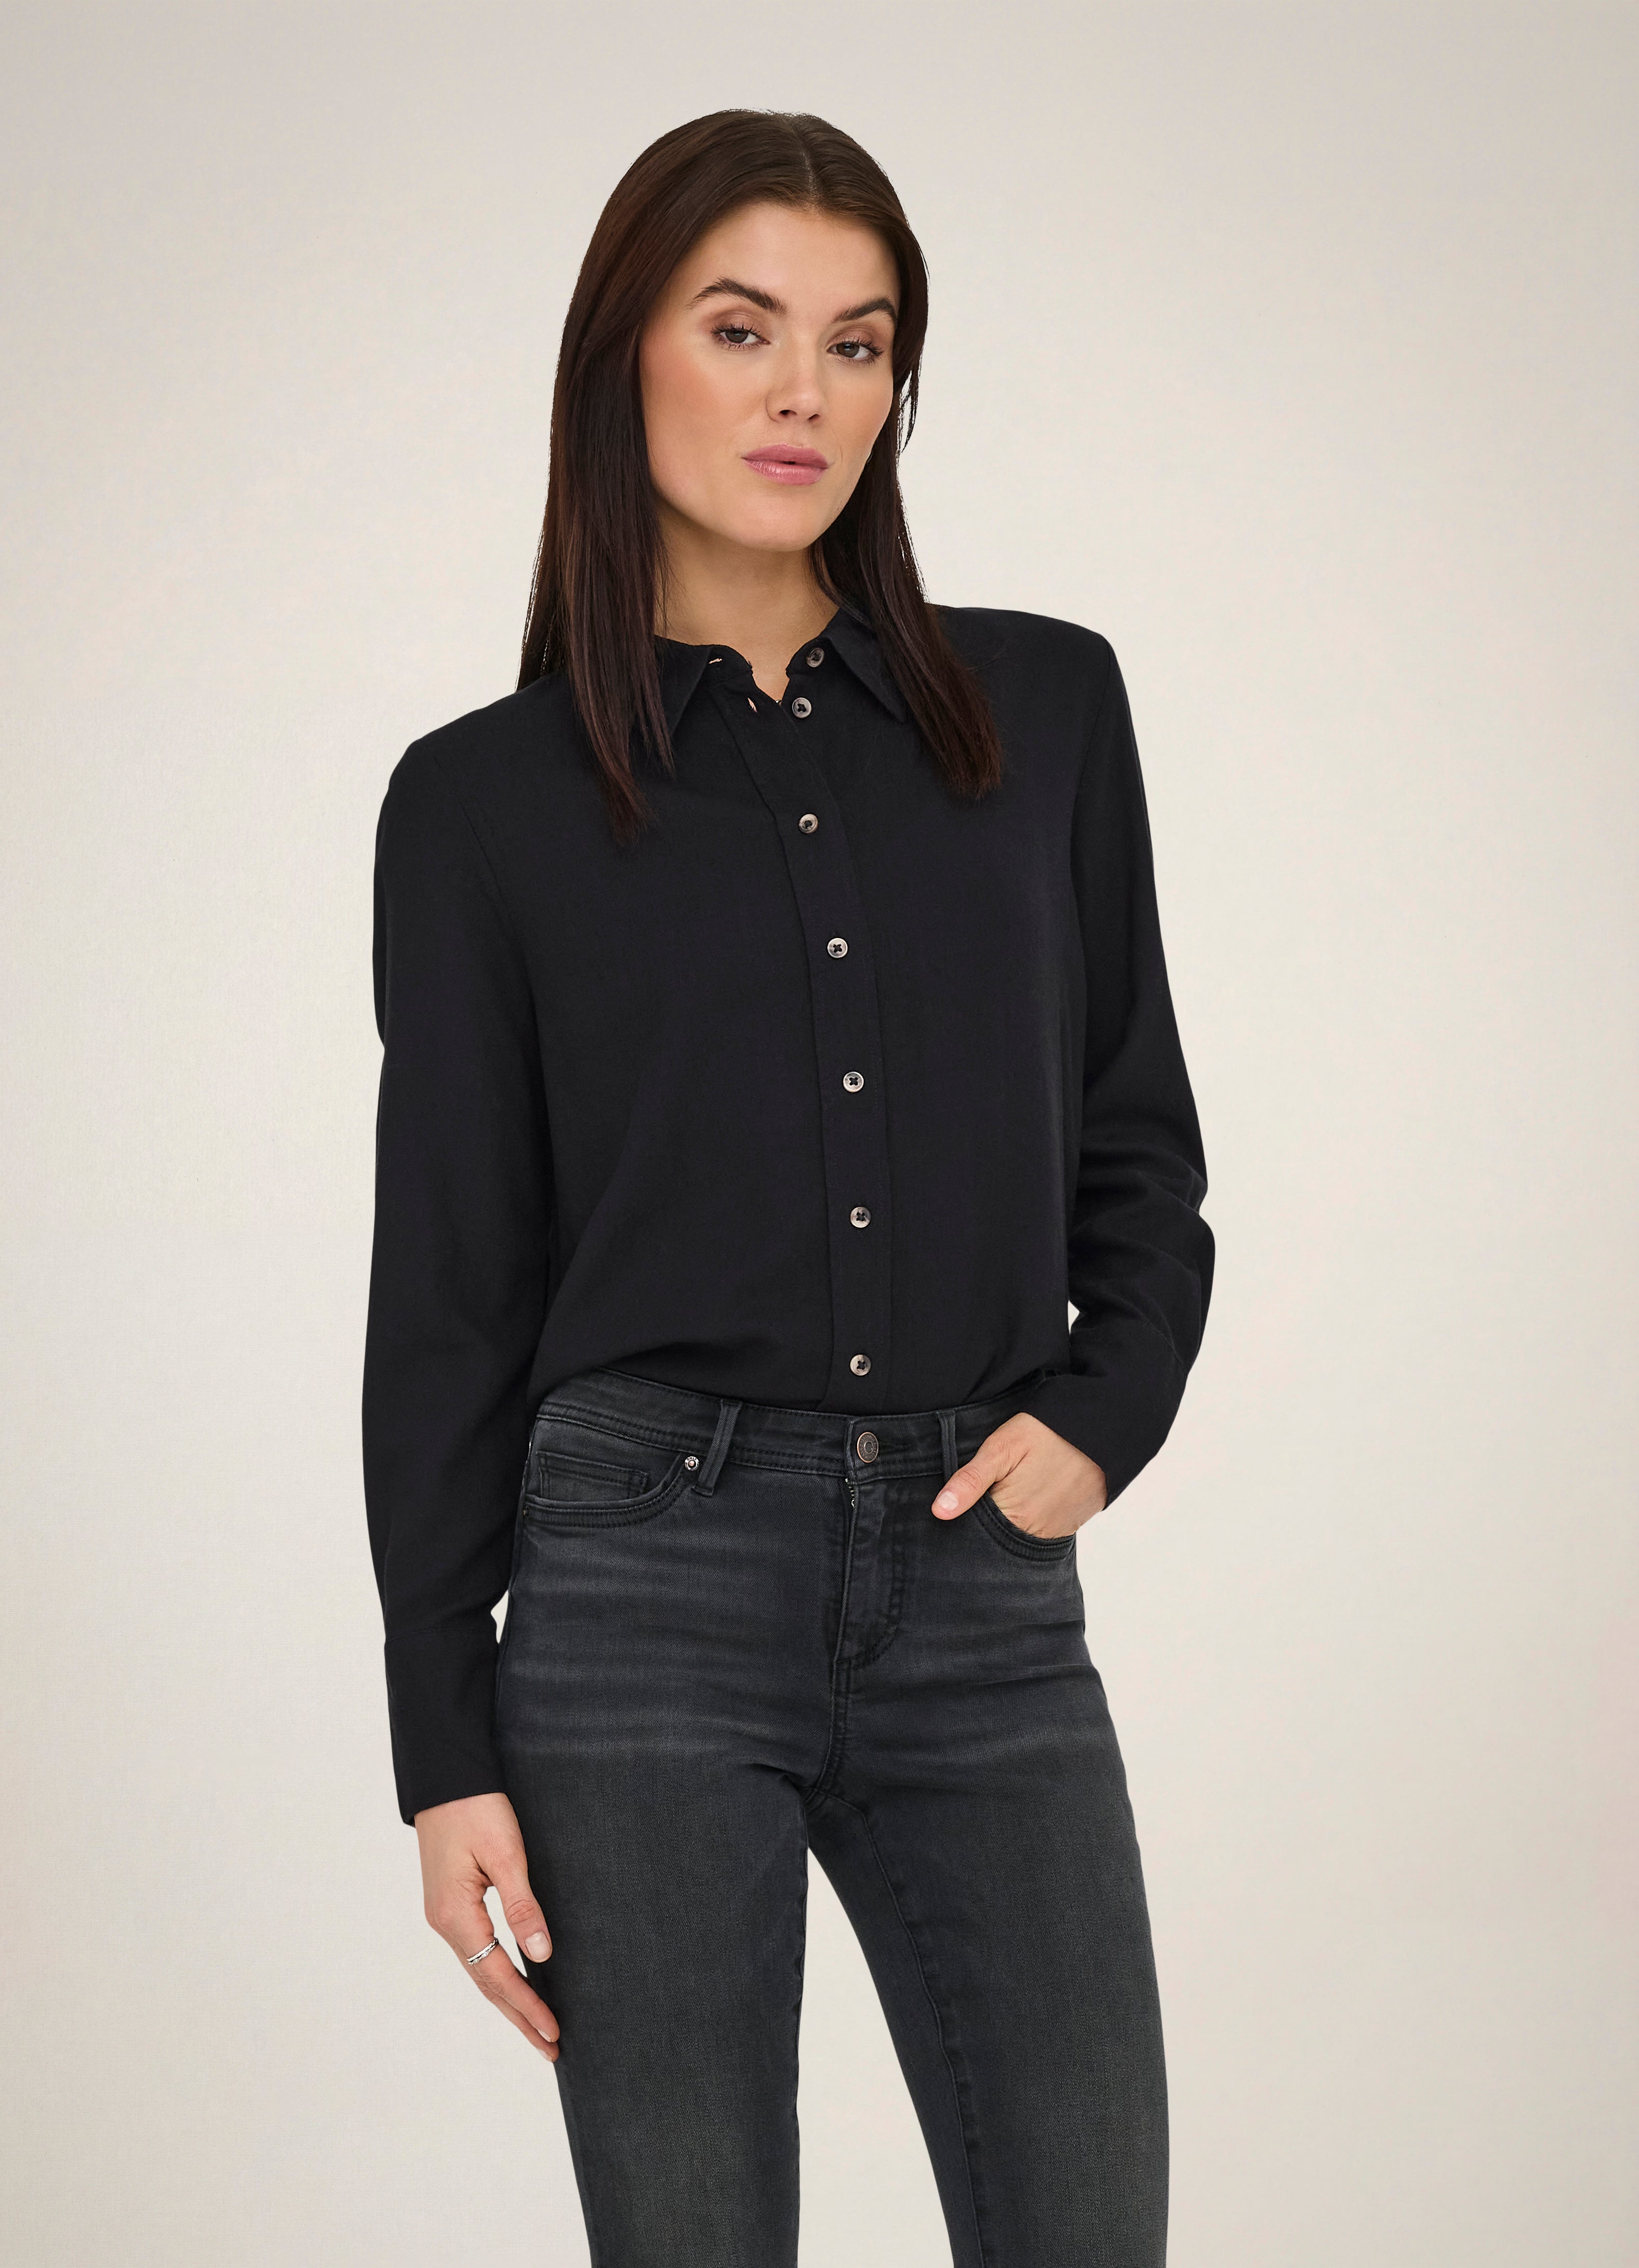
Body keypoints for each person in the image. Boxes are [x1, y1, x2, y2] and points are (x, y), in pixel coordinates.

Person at [362, 107, 1214, 2268]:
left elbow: (1136, 1142)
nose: (803, 394)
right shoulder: (481, 805)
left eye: (858, 342)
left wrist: (1100, 1415)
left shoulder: (1045, 707)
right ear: (622, 356)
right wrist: (441, 1747)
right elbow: (451, 1292)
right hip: (635, 1596)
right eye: (741, 329)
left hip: (980, 1586)